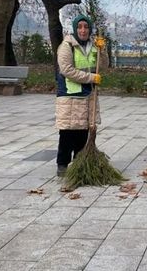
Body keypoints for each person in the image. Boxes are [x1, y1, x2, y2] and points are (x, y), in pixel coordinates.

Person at [54, 14, 108, 176]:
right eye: (80, 27)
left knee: (83, 130)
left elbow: (103, 67)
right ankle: (62, 164)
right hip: (70, 94)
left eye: (86, 27)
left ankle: (80, 162)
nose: (83, 30)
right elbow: (67, 70)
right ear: (75, 29)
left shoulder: (93, 46)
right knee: (68, 131)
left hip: (88, 95)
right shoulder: (67, 46)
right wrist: (91, 78)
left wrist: (102, 51)